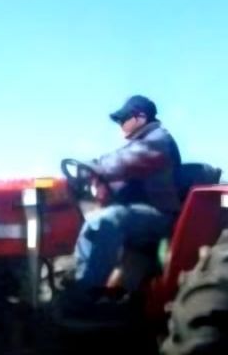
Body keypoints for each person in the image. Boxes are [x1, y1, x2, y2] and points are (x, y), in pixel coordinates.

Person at [64, 95, 182, 318]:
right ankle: (76, 281)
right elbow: (114, 165)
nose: (120, 125)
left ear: (140, 117)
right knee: (86, 218)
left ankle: (86, 294)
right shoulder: (139, 143)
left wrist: (93, 167)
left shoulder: (158, 139)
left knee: (104, 221)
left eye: (123, 119)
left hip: (159, 214)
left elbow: (121, 163)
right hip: (137, 212)